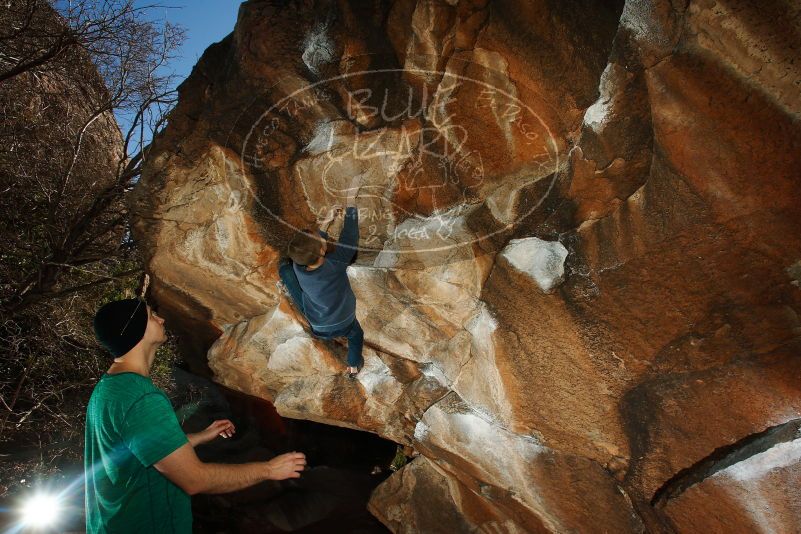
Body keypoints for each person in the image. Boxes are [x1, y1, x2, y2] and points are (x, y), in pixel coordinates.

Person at [85, 283, 307, 534]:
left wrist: (200, 436)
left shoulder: (110, 389)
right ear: (136, 331)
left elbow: (137, 453)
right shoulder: (141, 398)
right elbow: (194, 479)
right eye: (151, 316)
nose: (161, 318)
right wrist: (269, 469)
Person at [279, 201, 364, 379]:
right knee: (356, 336)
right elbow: (350, 236)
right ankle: (354, 366)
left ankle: (281, 271)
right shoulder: (337, 263)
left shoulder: (298, 266)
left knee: (285, 270)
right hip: (344, 323)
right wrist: (351, 204)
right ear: (323, 249)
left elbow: (312, 248)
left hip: (318, 325)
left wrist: (327, 221)